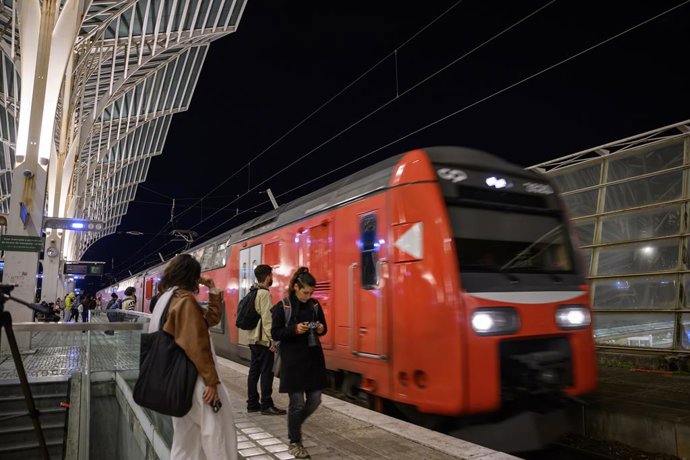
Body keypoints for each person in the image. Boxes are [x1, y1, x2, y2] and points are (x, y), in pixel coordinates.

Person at [150, 254, 236, 459]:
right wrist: (211, 381)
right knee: (217, 434)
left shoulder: (167, 298)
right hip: (194, 379)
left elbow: (208, 320)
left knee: (186, 440)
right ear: (192, 276)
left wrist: (213, 289)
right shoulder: (185, 301)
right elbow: (196, 344)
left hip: (174, 380)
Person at [271, 267, 327, 459]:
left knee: (315, 400)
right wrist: (295, 329)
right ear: (296, 287)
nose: (308, 296)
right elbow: (276, 333)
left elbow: (324, 328)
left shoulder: (315, 306)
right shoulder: (283, 307)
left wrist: (319, 328)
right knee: (296, 404)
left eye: (311, 293)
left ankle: (293, 425)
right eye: (305, 292)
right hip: (293, 362)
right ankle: (295, 441)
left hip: (313, 360)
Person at [246, 264, 285, 415]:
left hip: (252, 339)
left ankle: (252, 404)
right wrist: (273, 340)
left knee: (254, 371)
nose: (272, 278)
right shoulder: (264, 294)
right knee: (267, 372)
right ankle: (266, 404)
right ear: (268, 276)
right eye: (271, 275)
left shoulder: (252, 292)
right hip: (262, 340)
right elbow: (267, 320)